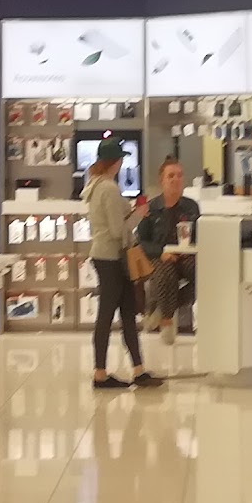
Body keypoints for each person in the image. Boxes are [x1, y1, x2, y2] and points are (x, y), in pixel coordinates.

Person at [86, 137, 159, 389]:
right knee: (113, 314)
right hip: (112, 258)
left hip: (105, 256)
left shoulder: (95, 185)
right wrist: (139, 215)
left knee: (121, 312)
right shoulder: (109, 188)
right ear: (115, 162)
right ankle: (102, 374)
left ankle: (137, 369)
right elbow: (118, 231)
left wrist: (129, 212)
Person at [134, 157, 201, 333]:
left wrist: (191, 249)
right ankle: (166, 320)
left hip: (185, 256)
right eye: (171, 176)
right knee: (166, 276)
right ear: (161, 180)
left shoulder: (191, 207)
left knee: (203, 274)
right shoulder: (150, 208)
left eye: (179, 175)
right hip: (159, 256)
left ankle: (162, 310)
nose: (175, 179)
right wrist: (160, 253)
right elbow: (140, 242)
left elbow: (199, 235)